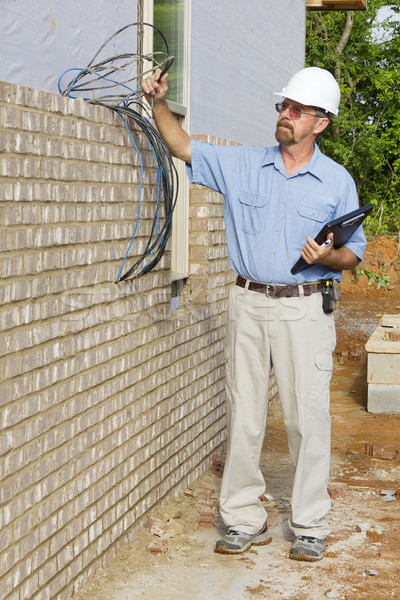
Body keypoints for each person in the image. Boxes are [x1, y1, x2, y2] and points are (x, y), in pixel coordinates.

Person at [142, 66, 367, 561]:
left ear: (320, 123)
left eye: (297, 110)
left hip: (304, 310)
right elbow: (182, 147)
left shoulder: (336, 182)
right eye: (283, 106)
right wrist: (159, 102)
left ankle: (309, 523)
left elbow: (353, 254)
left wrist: (325, 257)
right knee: (244, 413)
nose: (285, 115)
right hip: (246, 302)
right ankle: (244, 518)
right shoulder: (244, 163)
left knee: (307, 419)